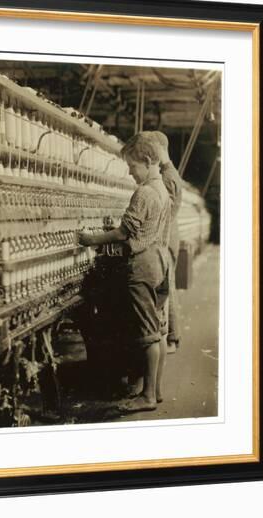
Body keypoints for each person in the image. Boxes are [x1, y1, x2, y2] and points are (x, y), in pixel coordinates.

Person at [78, 132, 171, 412]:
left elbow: (123, 233)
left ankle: (148, 397)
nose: (130, 172)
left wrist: (91, 239)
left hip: (142, 267)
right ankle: (155, 389)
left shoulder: (143, 192)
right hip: (159, 261)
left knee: (146, 334)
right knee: (157, 329)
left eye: (132, 166)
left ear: (146, 160)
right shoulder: (162, 189)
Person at [151, 132, 183, 352]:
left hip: (167, 237)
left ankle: (171, 338)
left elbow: (165, 211)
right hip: (170, 236)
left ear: (159, 149)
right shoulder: (168, 173)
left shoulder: (168, 176)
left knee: (167, 288)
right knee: (168, 287)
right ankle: (172, 336)